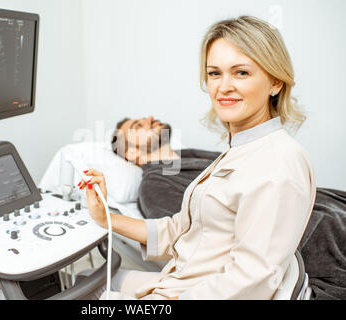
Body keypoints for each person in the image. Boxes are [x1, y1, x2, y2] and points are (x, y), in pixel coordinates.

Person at [78, 16, 316, 300]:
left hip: (192, 294)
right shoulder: (238, 150)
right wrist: (105, 217)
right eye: (215, 73)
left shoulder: (278, 163)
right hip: (181, 282)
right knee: (84, 280)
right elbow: (183, 229)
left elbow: (250, 281)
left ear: (276, 82)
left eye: (241, 73)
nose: (223, 86)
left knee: (82, 293)